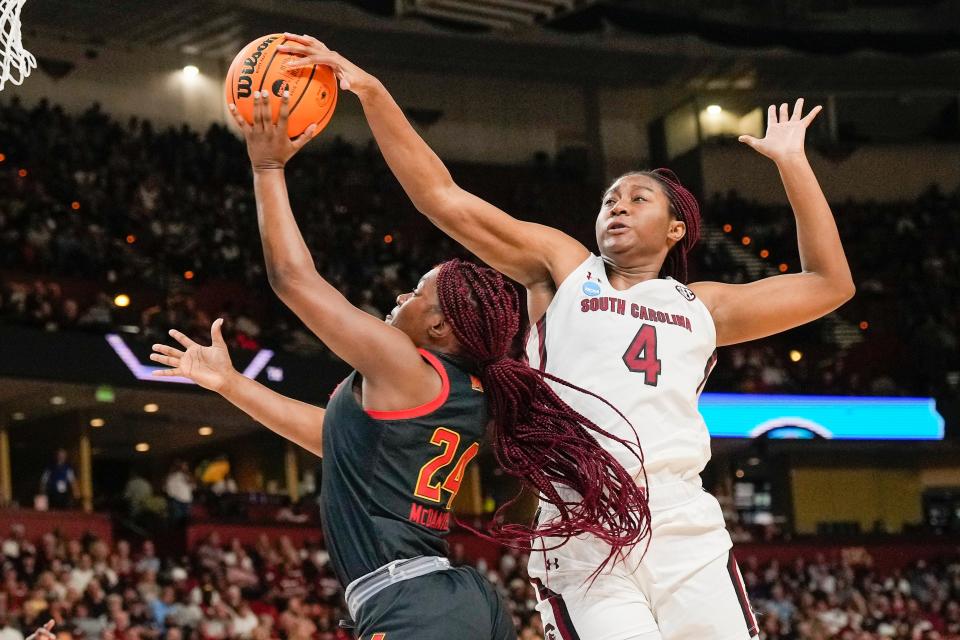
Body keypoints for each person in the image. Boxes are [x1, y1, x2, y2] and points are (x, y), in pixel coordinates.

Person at [275, 36, 856, 640]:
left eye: (638, 198)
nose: (618, 206)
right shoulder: (564, 268)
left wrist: (792, 164)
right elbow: (441, 198)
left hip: (683, 520)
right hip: (582, 524)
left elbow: (828, 284)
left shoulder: (706, 305)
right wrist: (372, 92)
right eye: (610, 199)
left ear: (676, 227)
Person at [150, 92, 650, 640]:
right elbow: (336, 440)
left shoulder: (404, 365)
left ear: (439, 327)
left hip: (413, 603)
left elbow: (293, 280)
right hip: (452, 599)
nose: (399, 298)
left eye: (416, 293)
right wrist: (231, 384)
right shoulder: (463, 388)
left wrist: (267, 167)